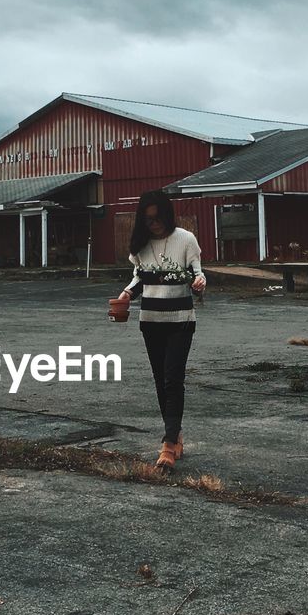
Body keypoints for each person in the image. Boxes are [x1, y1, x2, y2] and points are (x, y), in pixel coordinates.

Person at [113, 190, 206, 472]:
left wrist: (200, 282)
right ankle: (175, 434)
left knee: (173, 379)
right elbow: (139, 280)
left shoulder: (186, 239)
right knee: (160, 379)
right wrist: (127, 294)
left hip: (180, 319)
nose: (154, 224)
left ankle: (168, 444)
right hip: (151, 320)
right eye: (148, 219)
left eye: (158, 218)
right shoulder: (140, 246)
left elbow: (197, 272)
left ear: (167, 214)